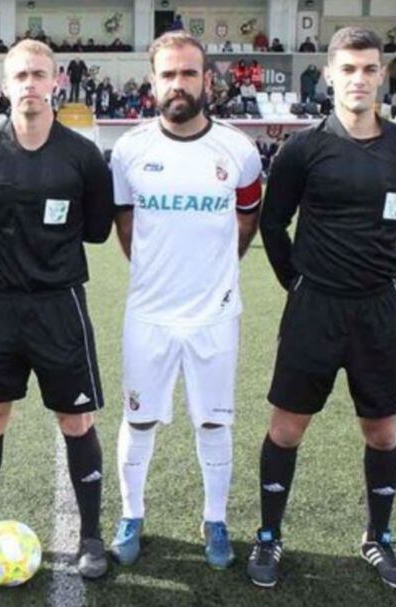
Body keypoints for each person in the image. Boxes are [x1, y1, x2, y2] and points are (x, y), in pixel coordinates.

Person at [246, 27, 396, 591]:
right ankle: (268, 536)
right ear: (329, 75)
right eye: (349, 69)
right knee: (286, 428)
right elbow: (273, 221)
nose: (359, 79)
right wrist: (296, 282)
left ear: (382, 75)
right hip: (315, 311)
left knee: (382, 432)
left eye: (369, 69)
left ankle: (378, 538)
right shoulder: (303, 148)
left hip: (378, 312)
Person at [0, 39, 115, 579]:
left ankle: (89, 536)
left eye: (40, 74)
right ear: (5, 84)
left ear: (57, 81)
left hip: (60, 306)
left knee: (76, 418)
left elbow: (99, 230)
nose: (30, 85)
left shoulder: (82, 155)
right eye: (21, 76)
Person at [107, 31, 263, 570]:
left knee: (214, 422)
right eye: (168, 74)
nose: (179, 83)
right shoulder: (129, 151)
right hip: (148, 315)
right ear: (153, 82)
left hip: (215, 316)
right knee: (140, 419)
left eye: (189, 73)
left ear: (207, 80)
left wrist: (217, 272)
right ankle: (132, 514)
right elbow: (125, 223)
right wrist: (156, 273)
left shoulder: (239, 152)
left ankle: (215, 519)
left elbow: (248, 220)